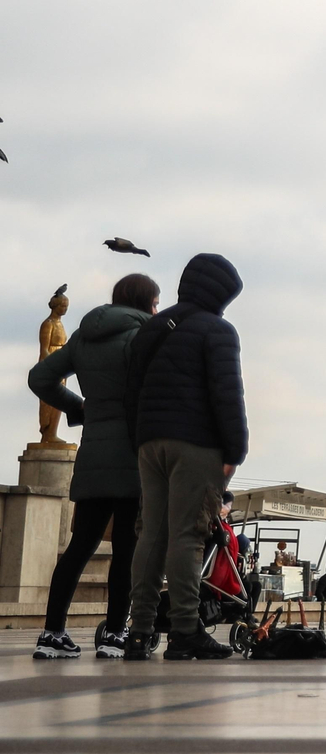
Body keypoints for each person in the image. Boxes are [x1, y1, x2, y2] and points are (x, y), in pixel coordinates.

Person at [122, 253, 247, 662]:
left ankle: (139, 632)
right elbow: (227, 396)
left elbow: (132, 392)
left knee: (151, 536)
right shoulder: (219, 330)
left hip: (149, 443)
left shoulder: (153, 328)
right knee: (187, 536)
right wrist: (235, 450)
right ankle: (184, 630)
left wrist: (137, 440)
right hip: (196, 445)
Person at [29, 273, 158, 661]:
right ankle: (114, 634)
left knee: (78, 547)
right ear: (144, 302)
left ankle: (53, 634)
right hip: (133, 458)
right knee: (126, 550)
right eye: (155, 302)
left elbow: (40, 377)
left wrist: (78, 407)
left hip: (93, 458)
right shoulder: (144, 336)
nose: (157, 309)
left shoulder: (85, 336)